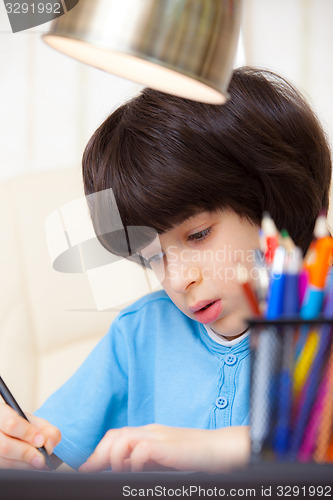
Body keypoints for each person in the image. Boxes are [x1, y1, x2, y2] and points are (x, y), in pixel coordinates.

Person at [0, 67, 330, 473]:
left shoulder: (321, 316)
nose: (178, 279)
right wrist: (18, 448)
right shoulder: (141, 333)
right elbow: (48, 456)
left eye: (198, 235)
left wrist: (216, 448)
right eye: (153, 257)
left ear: (272, 204)